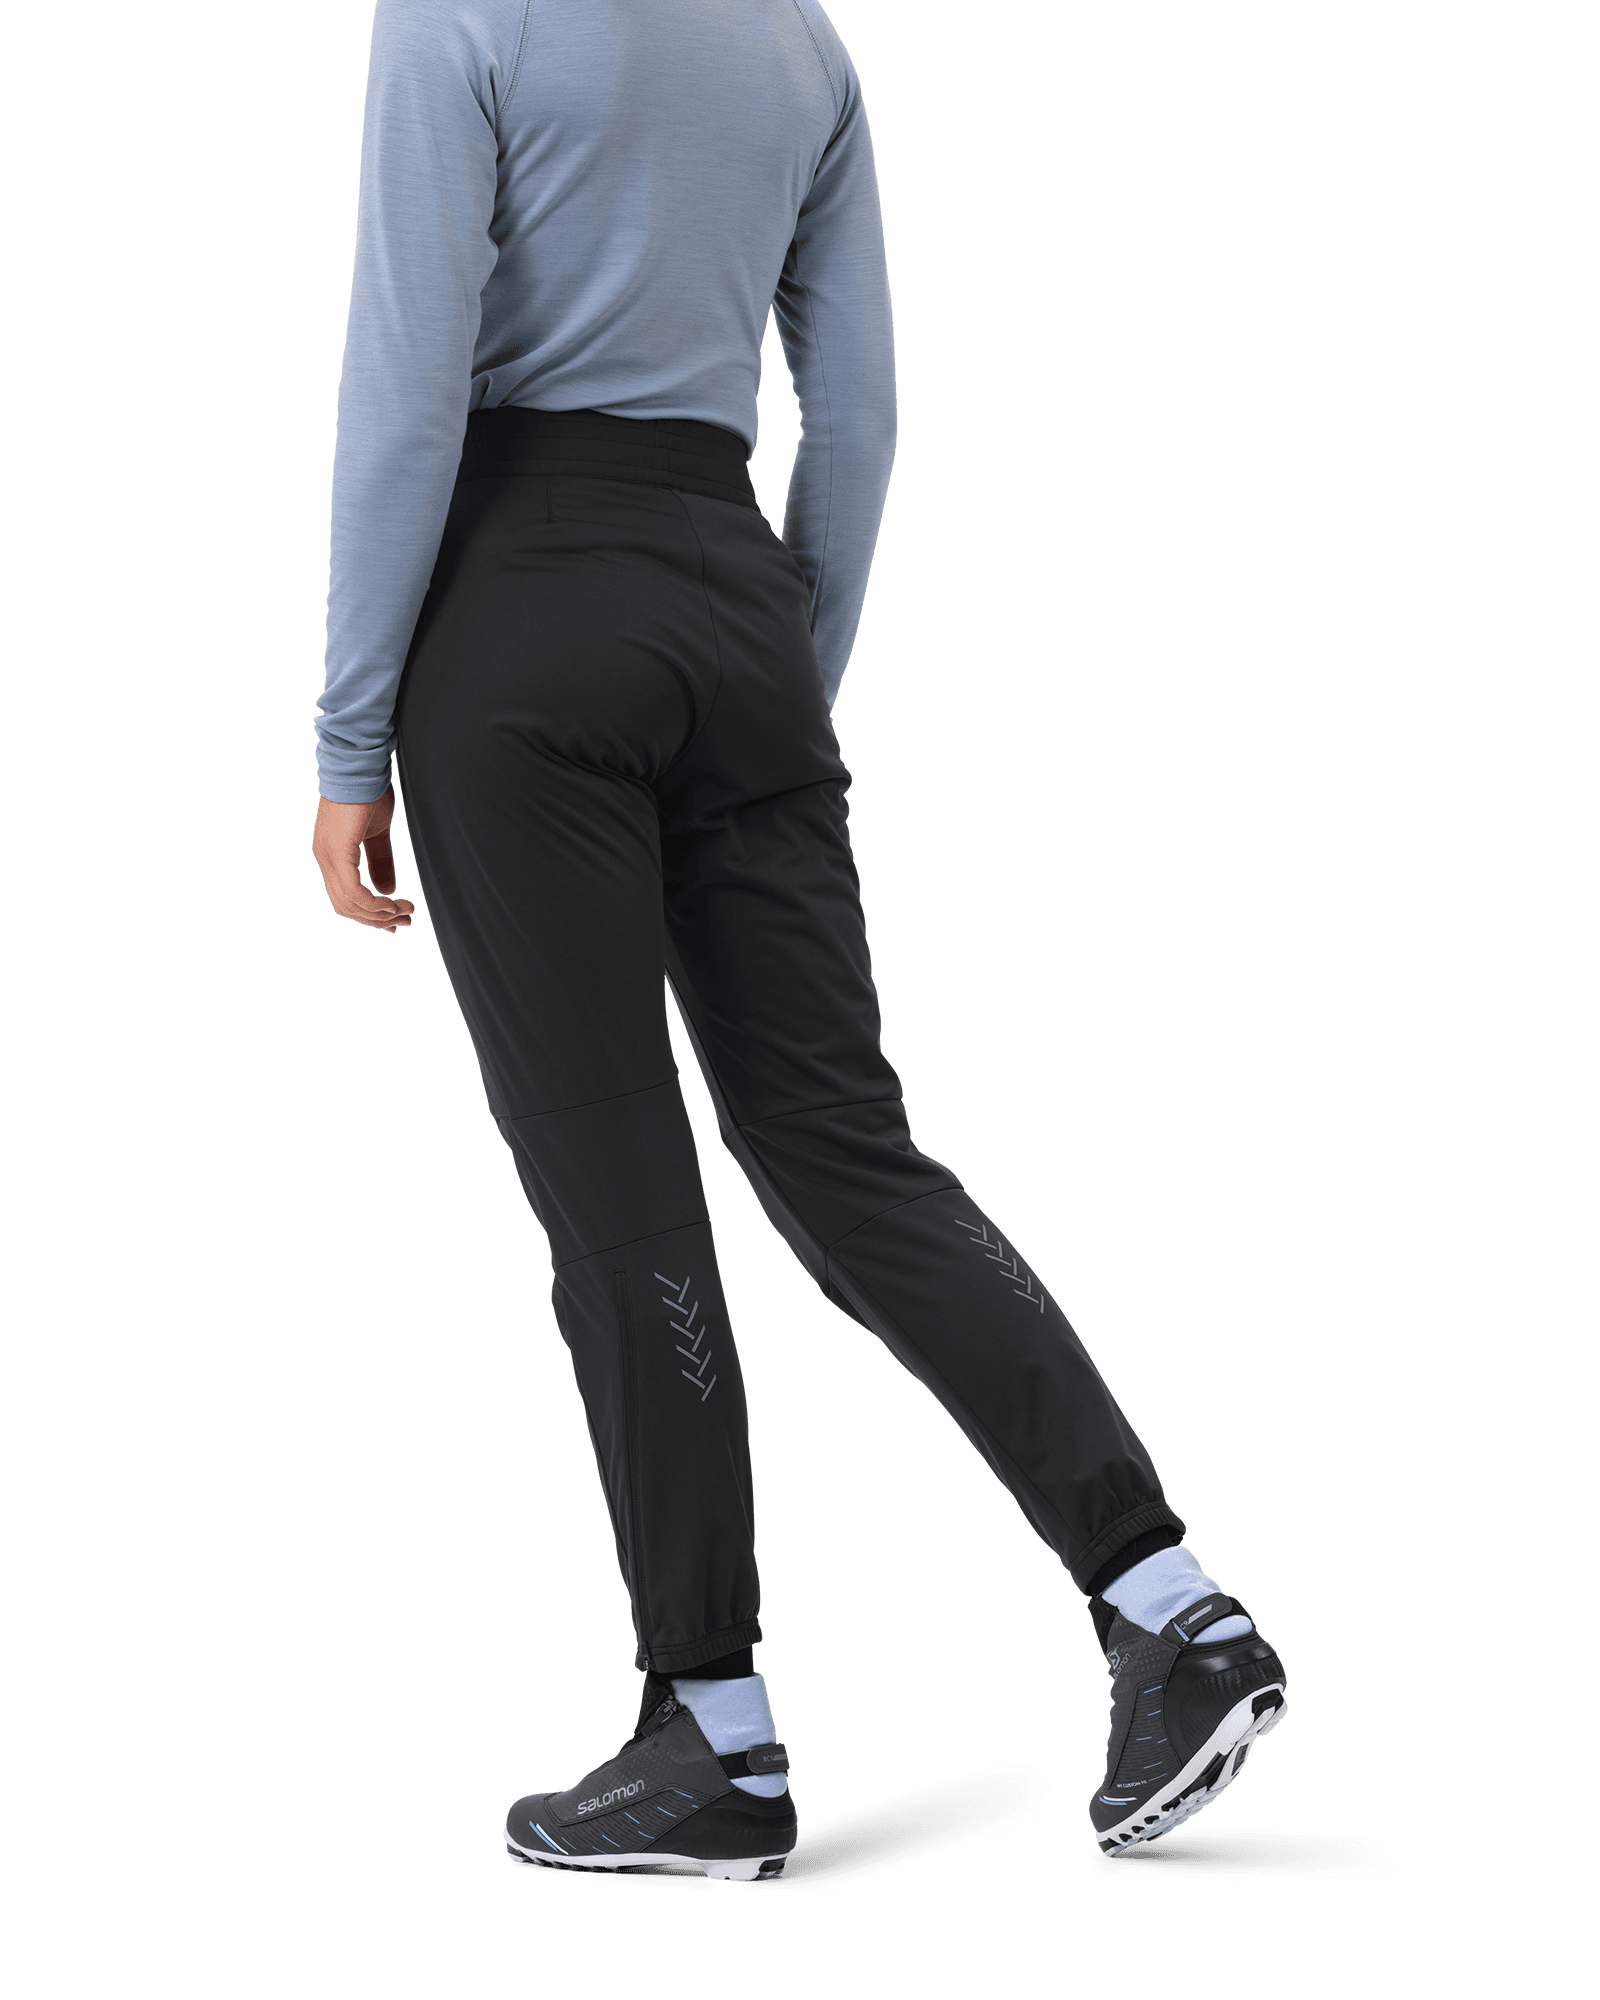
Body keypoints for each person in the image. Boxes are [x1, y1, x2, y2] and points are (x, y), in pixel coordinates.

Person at [310, 0, 1287, 1879]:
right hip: (736, 602)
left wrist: (349, 738)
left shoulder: (456, 10)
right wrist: (778, 683)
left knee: (621, 1203)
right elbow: (860, 409)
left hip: (519, 616)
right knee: (853, 1155)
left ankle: (717, 1737)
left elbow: (407, 378)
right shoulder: (802, 40)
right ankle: (1170, 1604)